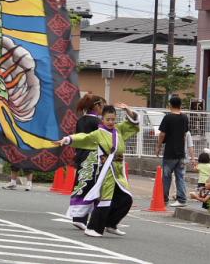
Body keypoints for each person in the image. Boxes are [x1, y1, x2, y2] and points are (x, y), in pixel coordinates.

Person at [53, 103, 139, 237]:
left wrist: (128, 109)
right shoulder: (98, 133)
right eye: (108, 119)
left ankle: (111, 223)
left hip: (118, 171)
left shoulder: (119, 129)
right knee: (105, 199)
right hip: (106, 170)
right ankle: (93, 228)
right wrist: (67, 139)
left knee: (126, 198)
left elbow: (133, 124)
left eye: (113, 119)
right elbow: (84, 138)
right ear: (102, 119)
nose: (110, 122)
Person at [67, 94, 104, 229]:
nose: (103, 109)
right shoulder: (97, 123)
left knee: (82, 184)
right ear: (96, 106)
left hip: (81, 154)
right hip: (93, 156)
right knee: (92, 186)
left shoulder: (81, 120)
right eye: (102, 106)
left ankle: (79, 216)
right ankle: (82, 218)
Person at [155, 96, 194, 207]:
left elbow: (162, 134)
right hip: (181, 152)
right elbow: (184, 134)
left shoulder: (168, 118)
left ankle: (164, 199)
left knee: (166, 177)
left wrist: (158, 147)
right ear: (180, 105)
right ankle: (181, 200)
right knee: (180, 176)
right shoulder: (184, 118)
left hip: (170, 152)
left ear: (170, 105)